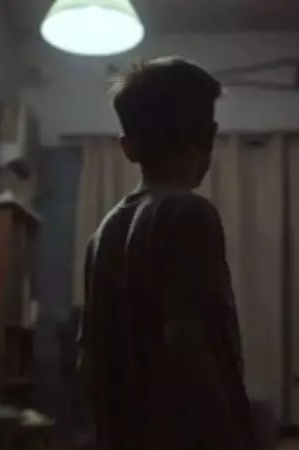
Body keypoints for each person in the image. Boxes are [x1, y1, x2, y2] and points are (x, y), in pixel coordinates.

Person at [77, 57, 253, 450]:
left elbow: (86, 361)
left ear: (127, 147)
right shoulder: (189, 215)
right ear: (210, 137)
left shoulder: (100, 236)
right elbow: (189, 345)